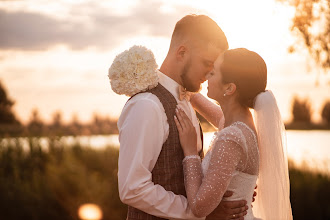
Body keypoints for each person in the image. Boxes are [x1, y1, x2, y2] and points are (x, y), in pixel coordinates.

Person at [117, 15, 250, 219]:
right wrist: (200, 213)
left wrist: (226, 186)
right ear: (182, 52)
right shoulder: (147, 105)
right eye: (207, 63)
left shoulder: (186, 99)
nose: (210, 73)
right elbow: (133, 188)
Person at [174, 48, 293, 220]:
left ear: (229, 88)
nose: (207, 75)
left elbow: (199, 207)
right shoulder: (240, 122)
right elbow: (200, 102)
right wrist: (184, 85)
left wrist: (190, 151)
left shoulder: (232, 137)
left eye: (213, 73)